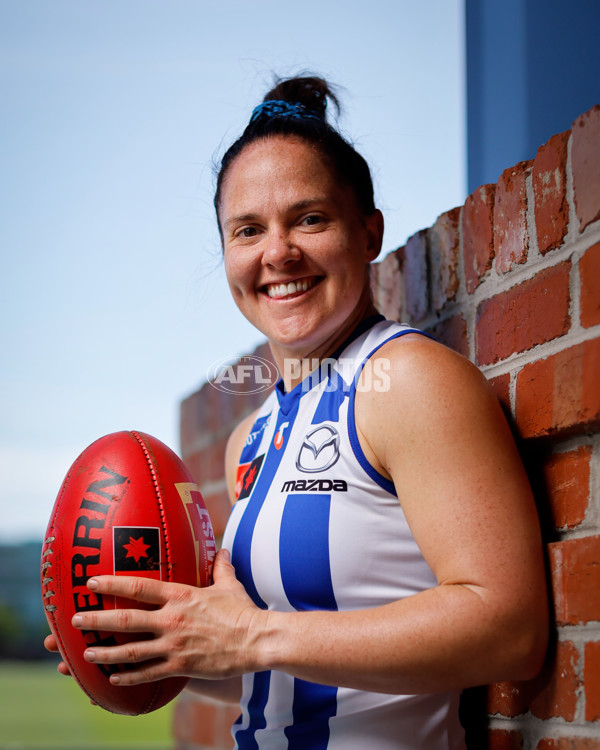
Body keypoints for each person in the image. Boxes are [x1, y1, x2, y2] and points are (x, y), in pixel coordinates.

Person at [46, 75, 548, 749]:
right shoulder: (251, 437)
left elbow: (509, 628)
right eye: (247, 230)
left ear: (368, 231)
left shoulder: (409, 381)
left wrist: (253, 633)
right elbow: (280, 671)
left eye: (310, 218)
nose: (277, 253)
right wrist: (163, 643)